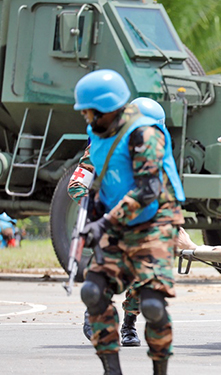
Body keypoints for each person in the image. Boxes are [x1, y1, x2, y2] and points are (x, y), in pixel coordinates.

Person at [72, 70, 185, 375]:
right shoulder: (99, 134)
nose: (86, 117)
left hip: (155, 222)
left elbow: (148, 190)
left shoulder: (144, 134)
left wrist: (104, 222)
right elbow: (98, 179)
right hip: (119, 223)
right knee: (93, 291)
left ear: (108, 109)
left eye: (90, 111)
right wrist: (92, 210)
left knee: (151, 304)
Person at [70, 97, 171, 348]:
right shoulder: (102, 147)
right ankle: (94, 313)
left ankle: (128, 324)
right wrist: (92, 206)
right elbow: (77, 184)